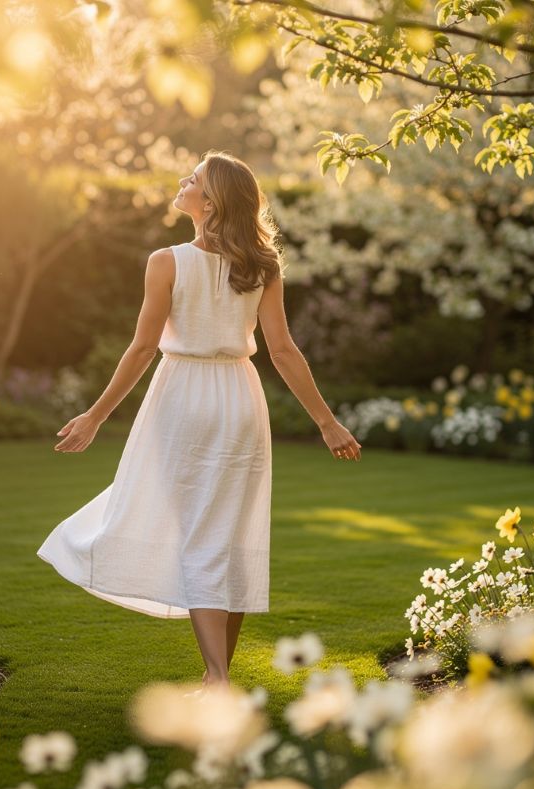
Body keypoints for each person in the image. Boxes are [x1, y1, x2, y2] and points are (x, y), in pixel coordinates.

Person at [37, 150, 361, 689]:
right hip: (240, 398)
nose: (182, 183)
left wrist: (95, 416)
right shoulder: (262, 264)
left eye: (193, 180)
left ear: (208, 203)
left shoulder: (165, 261)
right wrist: (327, 422)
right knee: (226, 536)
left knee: (199, 537)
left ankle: (216, 677)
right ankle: (219, 676)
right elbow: (282, 351)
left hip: (182, 397)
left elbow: (142, 349)